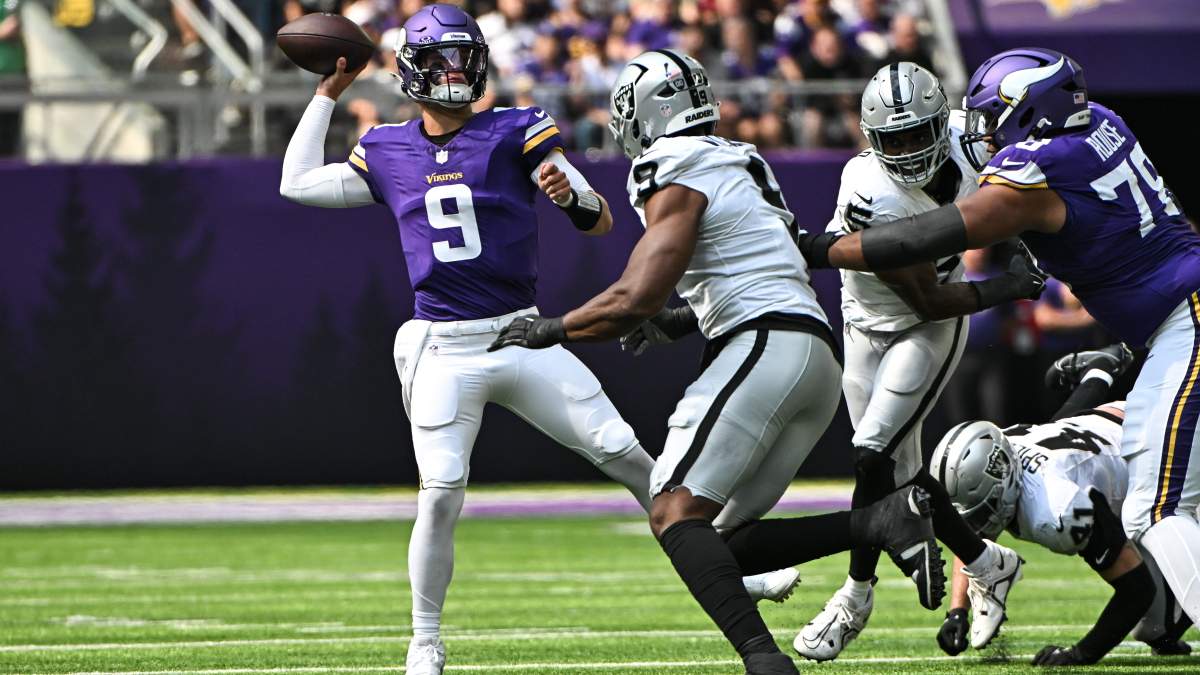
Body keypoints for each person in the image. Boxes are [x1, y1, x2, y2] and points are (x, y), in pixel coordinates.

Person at [278, 7, 796, 674]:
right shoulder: (386, 147)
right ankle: (425, 639)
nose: (456, 72)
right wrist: (328, 92)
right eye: (442, 60)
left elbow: (599, 219)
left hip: (522, 333)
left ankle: (729, 566)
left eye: (466, 58)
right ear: (413, 70)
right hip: (444, 347)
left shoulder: (515, 128)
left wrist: (568, 196)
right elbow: (297, 182)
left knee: (627, 453)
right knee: (441, 490)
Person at [488, 48, 944, 675]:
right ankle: (878, 521)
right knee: (719, 541)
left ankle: (763, 660)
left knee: (672, 510)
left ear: (647, 114)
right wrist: (678, 321)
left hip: (764, 344)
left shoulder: (673, 164)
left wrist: (553, 328)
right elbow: (756, 265)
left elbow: (636, 296)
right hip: (811, 354)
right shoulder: (738, 159)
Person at [797, 47, 1200, 664]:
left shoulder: (1032, 173)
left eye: (994, 117)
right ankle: (1162, 614)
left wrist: (817, 248)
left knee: (1159, 508)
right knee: (1169, 504)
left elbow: (920, 237)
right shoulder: (1102, 122)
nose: (983, 133)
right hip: (1171, 320)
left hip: (1184, 320)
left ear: (1032, 114)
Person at [794, 62, 1044, 663]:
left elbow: (1030, 178)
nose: (907, 151)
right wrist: (1012, 286)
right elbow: (925, 295)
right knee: (898, 472)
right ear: (871, 139)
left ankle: (854, 598)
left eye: (916, 135)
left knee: (871, 454)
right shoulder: (868, 189)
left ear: (941, 123)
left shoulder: (974, 140)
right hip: (876, 318)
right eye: (894, 139)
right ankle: (987, 562)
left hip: (929, 331)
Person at [932, 344, 1193, 665]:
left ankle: (1100, 371)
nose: (978, 523)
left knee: (1161, 618)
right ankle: (1100, 370)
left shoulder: (1056, 507)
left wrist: (1079, 655)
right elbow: (971, 534)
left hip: (1167, 443)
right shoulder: (1006, 448)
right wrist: (957, 610)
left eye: (984, 507)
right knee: (1159, 628)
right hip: (1117, 425)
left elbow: (1136, 589)